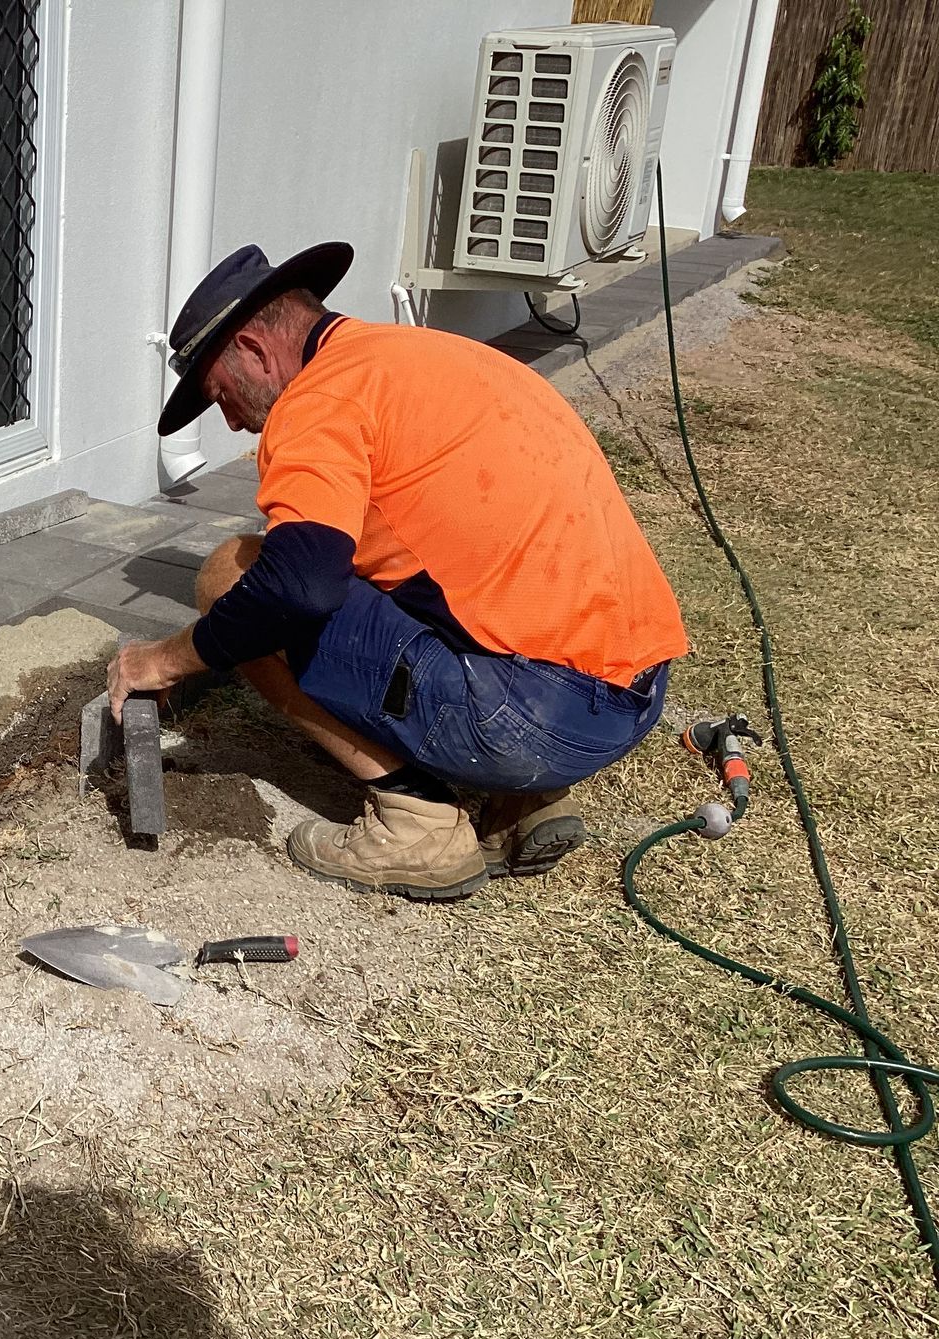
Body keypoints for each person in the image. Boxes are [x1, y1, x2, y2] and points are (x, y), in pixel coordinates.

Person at [107, 242, 688, 899]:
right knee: (394, 565)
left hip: (533, 721)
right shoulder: (434, 356)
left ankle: (419, 822)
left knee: (233, 573)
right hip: (630, 697)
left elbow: (299, 585)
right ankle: (526, 802)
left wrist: (162, 661)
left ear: (254, 349)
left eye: (221, 397)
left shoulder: (319, 398)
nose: (235, 422)